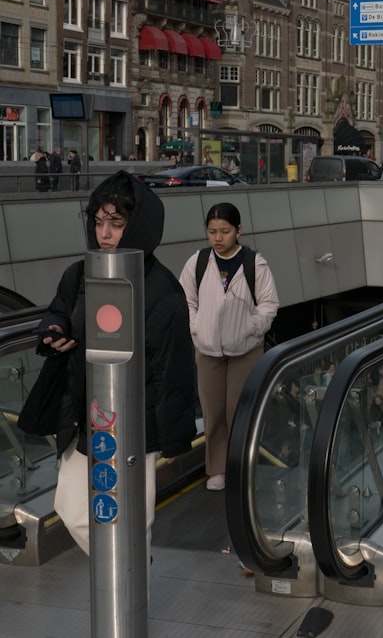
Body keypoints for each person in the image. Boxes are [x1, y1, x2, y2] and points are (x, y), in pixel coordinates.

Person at [21, 170, 197, 555]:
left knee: (129, 517)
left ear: (138, 227)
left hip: (135, 422)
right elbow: (60, 311)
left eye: (116, 224)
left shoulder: (161, 290)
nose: (104, 233)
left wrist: (172, 436)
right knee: (70, 507)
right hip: (85, 414)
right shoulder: (82, 272)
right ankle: (128, 574)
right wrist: (53, 330)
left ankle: (127, 594)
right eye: (99, 222)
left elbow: (173, 368)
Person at [180, 203, 279, 491]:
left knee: (239, 409)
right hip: (208, 349)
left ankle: (240, 467)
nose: (218, 238)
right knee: (213, 411)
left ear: (239, 230)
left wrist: (252, 328)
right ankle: (218, 469)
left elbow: (269, 303)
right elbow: (185, 299)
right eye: (212, 232)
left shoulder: (253, 262)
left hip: (246, 350)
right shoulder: (198, 262)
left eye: (224, 231)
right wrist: (196, 327)